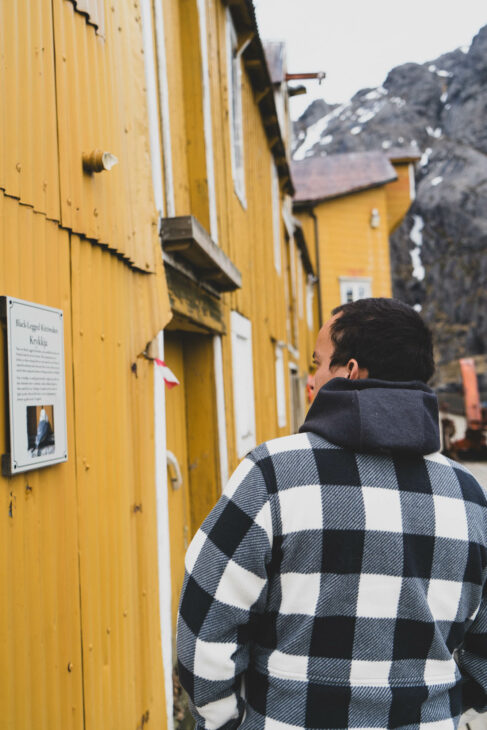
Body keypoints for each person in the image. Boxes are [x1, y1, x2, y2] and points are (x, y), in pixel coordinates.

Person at [177, 298, 487, 730]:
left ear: (350, 372)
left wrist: (225, 721)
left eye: (318, 363)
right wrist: (455, 711)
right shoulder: (470, 495)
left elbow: (205, 625)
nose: (311, 378)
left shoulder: (273, 474)